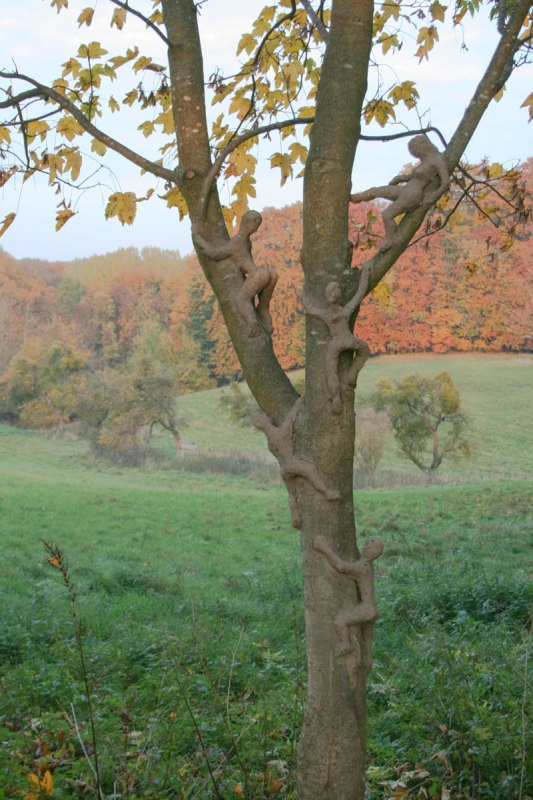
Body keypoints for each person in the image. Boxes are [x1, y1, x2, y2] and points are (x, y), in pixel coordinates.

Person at [350, 135, 449, 251]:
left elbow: (445, 182)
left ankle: (390, 239)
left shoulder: (437, 160)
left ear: (422, 147)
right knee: (376, 190)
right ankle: (355, 198)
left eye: (415, 151)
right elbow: (412, 177)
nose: (415, 155)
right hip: (406, 189)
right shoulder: (425, 161)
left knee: (387, 215)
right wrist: (400, 178)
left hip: (413, 194)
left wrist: (432, 197)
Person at [192, 210, 278, 336]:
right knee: (263, 306)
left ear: (243, 221)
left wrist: (197, 238)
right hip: (269, 273)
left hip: (257, 275)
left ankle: (253, 324)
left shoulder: (237, 242)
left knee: (241, 299)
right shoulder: (248, 242)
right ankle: (268, 326)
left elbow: (214, 254)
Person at [313, 535, 384, 667]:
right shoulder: (368, 566)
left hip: (366, 609)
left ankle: (346, 644)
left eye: (370, 546)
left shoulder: (361, 567)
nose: (366, 546)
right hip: (372, 609)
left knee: (340, 621)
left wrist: (324, 548)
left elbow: (341, 566)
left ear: (375, 553)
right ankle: (367, 664)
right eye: (367, 543)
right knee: (367, 642)